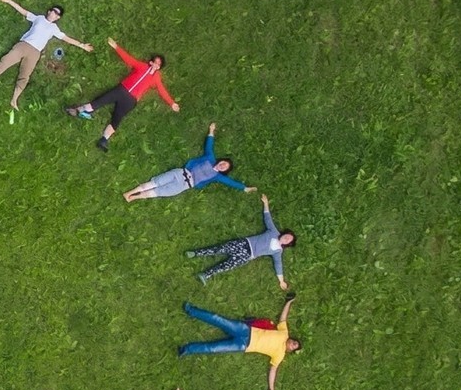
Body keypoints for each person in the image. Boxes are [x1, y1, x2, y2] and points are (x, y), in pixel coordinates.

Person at [0, 0, 93, 110]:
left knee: (25, 75)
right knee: (5, 62)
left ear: (58, 18)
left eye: (57, 13)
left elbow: (66, 38)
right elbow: (24, 11)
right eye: (53, 10)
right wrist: (9, 1)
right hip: (23, 45)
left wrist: (82, 45)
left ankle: (14, 99)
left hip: (35, 53)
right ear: (49, 11)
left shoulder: (54, 29)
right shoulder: (39, 18)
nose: (53, 13)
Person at [66, 38, 178, 151]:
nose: (156, 65)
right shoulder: (142, 66)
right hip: (122, 90)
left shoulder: (156, 78)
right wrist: (116, 47)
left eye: (159, 64)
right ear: (151, 62)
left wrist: (171, 103)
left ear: (159, 68)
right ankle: (78, 110)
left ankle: (104, 140)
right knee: (101, 100)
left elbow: (162, 90)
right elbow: (129, 60)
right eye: (155, 62)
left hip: (131, 100)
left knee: (117, 118)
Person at [178, 294, 300, 390]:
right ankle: (191, 310)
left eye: (294, 346)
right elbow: (283, 317)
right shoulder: (284, 332)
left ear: (290, 350)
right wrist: (289, 302)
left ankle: (186, 350)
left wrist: (271, 387)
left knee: (213, 348)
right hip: (245, 330)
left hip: (243, 345)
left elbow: (273, 370)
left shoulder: (279, 355)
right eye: (294, 342)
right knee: (218, 319)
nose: (292, 344)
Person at [123, 123, 255, 201]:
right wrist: (211, 131)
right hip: (180, 173)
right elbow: (209, 145)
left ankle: (134, 198)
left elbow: (231, 182)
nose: (223, 165)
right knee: (156, 182)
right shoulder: (210, 158)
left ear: (224, 171)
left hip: (185, 185)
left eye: (225, 167)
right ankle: (129, 192)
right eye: (224, 163)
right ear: (221, 161)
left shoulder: (218, 176)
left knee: (160, 192)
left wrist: (245, 188)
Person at [188, 193, 295, 288]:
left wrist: (281, 281)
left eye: (288, 240)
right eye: (287, 236)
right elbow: (268, 218)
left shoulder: (278, 251)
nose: (286, 238)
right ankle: (195, 253)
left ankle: (205, 275)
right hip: (244, 244)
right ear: (284, 233)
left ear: (287, 244)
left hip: (247, 256)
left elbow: (278, 264)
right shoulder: (273, 231)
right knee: (219, 249)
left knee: (226, 266)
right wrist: (266, 204)